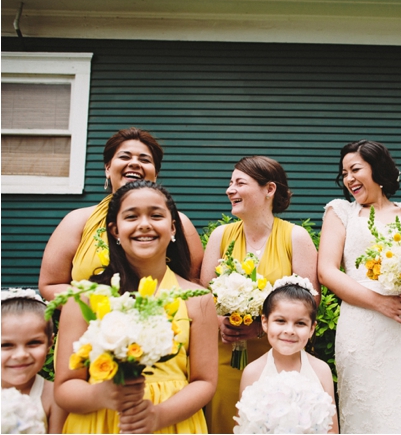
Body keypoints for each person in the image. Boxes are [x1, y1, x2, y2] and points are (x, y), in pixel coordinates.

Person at [54, 180, 217, 434]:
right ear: (115, 230)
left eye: (156, 215)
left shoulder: (198, 299)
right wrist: (103, 395)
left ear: (172, 228)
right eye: (131, 216)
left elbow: (204, 381)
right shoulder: (83, 297)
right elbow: (65, 387)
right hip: (100, 422)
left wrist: (158, 416)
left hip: (171, 423)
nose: (144, 224)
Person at [318, 139, 401, 434]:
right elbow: (327, 271)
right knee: (369, 411)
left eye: (355, 169)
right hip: (363, 326)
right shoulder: (341, 212)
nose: (349, 178)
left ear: (377, 168)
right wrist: (381, 302)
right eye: (345, 173)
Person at [200, 156, 319, 434]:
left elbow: (310, 302)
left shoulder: (296, 237)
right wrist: (222, 323)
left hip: (279, 354)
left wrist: (260, 328)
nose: (230, 190)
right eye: (230, 183)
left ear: (269, 190)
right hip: (225, 355)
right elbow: (204, 297)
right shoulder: (220, 236)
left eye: (240, 183)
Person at [38, 128, 203, 301]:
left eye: (144, 159)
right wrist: (103, 306)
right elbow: (51, 284)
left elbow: (194, 281)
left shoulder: (180, 222)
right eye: (125, 157)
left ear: (155, 174)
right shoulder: (77, 221)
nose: (134, 163)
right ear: (108, 169)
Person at [237, 277, 338, 434]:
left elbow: (332, 429)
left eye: (300, 323)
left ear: (312, 328)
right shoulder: (253, 372)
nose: (290, 330)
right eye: (280, 321)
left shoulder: (321, 370)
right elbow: (245, 427)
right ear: (265, 322)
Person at [1, 288, 67, 433]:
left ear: (50, 343)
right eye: (6, 345)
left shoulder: (54, 397)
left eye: (33, 343)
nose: (21, 355)